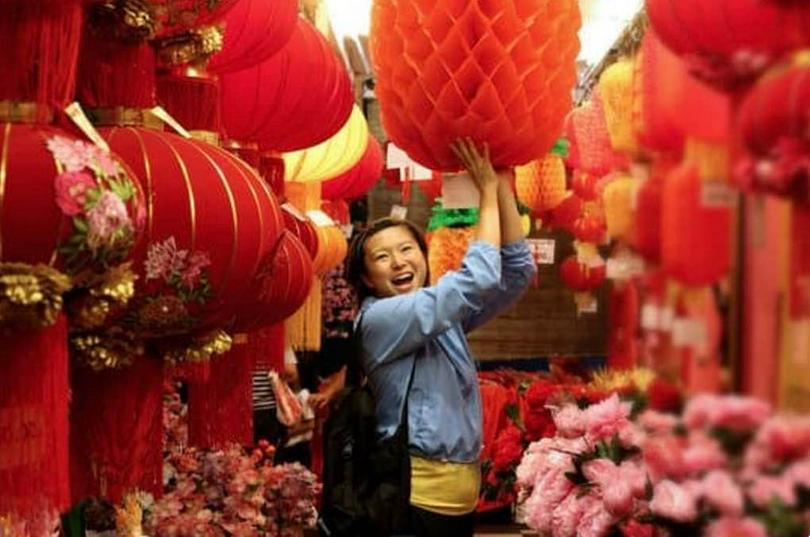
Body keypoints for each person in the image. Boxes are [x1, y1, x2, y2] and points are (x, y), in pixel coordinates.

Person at [345, 139, 536, 537]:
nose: (399, 262)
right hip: (411, 500)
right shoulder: (381, 318)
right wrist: (484, 193)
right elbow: (478, 278)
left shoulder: (438, 319)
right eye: (382, 257)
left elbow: (516, 273)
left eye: (407, 249)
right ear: (366, 278)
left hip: (460, 499)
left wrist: (502, 187)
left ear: (424, 254)